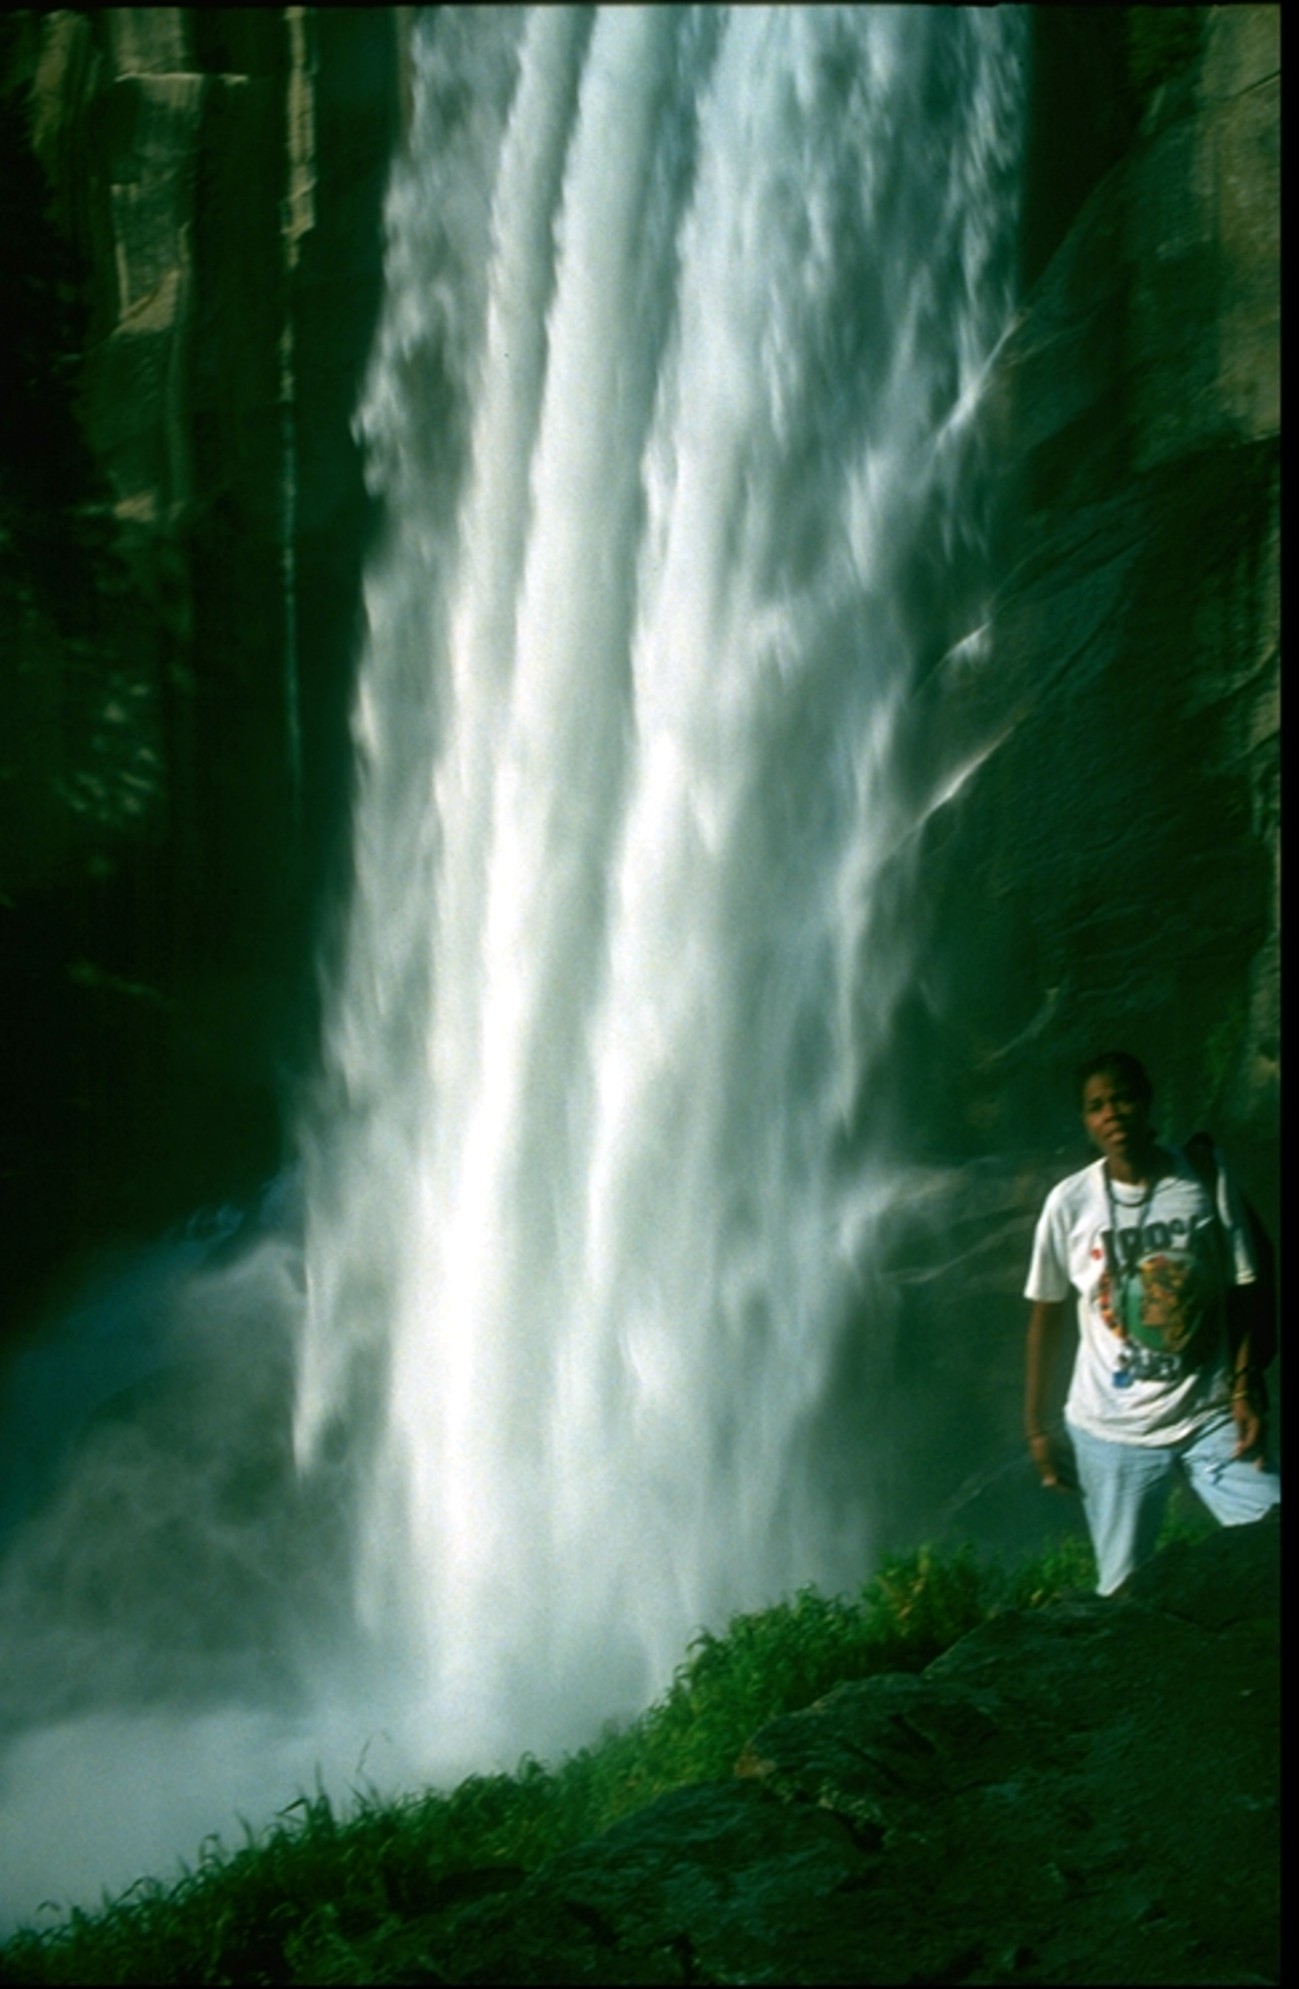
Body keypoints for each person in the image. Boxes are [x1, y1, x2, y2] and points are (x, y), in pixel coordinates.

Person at [1023, 1049, 1280, 1594]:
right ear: (1086, 1120)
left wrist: (1243, 1386)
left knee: (1271, 1538)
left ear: (1147, 1102)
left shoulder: (1202, 1180)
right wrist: (1036, 1426)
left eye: (1122, 1098)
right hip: (1110, 1432)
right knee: (1122, 1591)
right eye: (1096, 1106)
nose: (1112, 1113)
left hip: (1211, 1416)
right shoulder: (1069, 1204)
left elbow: (1242, 1285)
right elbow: (1044, 1317)